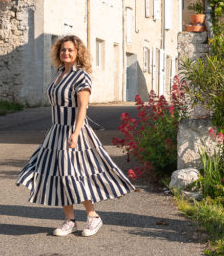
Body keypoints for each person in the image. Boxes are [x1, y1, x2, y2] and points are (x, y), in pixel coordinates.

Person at [16, 35, 135, 236]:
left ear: (78, 52)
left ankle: (93, 216)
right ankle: (70, 220)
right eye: (63, 50)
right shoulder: (59, 73)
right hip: (56, 131)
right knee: (58, 175)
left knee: (74, 174)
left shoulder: (81, 76)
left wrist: (75, 133)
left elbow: (82, 108)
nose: (66, 53)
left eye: (70, 50)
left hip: (74, 131)